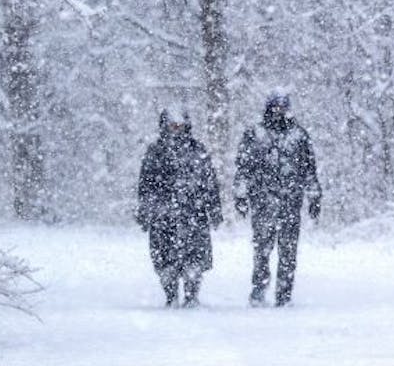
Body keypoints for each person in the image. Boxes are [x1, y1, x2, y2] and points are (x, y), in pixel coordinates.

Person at [233, 91, 321, 307]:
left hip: (291, 203)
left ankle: (284, 295)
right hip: (263, 202)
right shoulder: (255, 133)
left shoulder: (299, 136)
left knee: (288, 252)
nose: (278, 111)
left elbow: (309, 169)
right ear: (268, 107)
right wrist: (241, 194)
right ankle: (258, 290)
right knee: (262, 250)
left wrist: (314, 195)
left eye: (282, 107)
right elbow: (243, 167)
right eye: (275, 107)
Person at [136, 107, 223, 307]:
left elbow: (210, 183)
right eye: (172, 125)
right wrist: (144, 210)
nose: (176, 129)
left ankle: (192, 295)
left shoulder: (198, 151)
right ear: (164, 125)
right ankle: (170, 295)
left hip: (194, 213)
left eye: (180, 125)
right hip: (163, 215)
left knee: (195, 257)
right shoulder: (155, 152)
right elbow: (145, 185)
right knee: (164, 257)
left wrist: (214, 209)